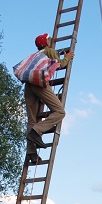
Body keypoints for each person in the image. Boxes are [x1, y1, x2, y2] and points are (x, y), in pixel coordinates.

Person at [25, 32, 74, 165]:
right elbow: (60, 64)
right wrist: (67, 57)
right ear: (46, 43)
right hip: (39, 84)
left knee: (32, 119)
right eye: (49, 40)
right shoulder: (49, 51)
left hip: (28, 86)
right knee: (60, 112)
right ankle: (37, 131)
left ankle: (32, 153)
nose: (50, 41)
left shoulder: (34, 56)